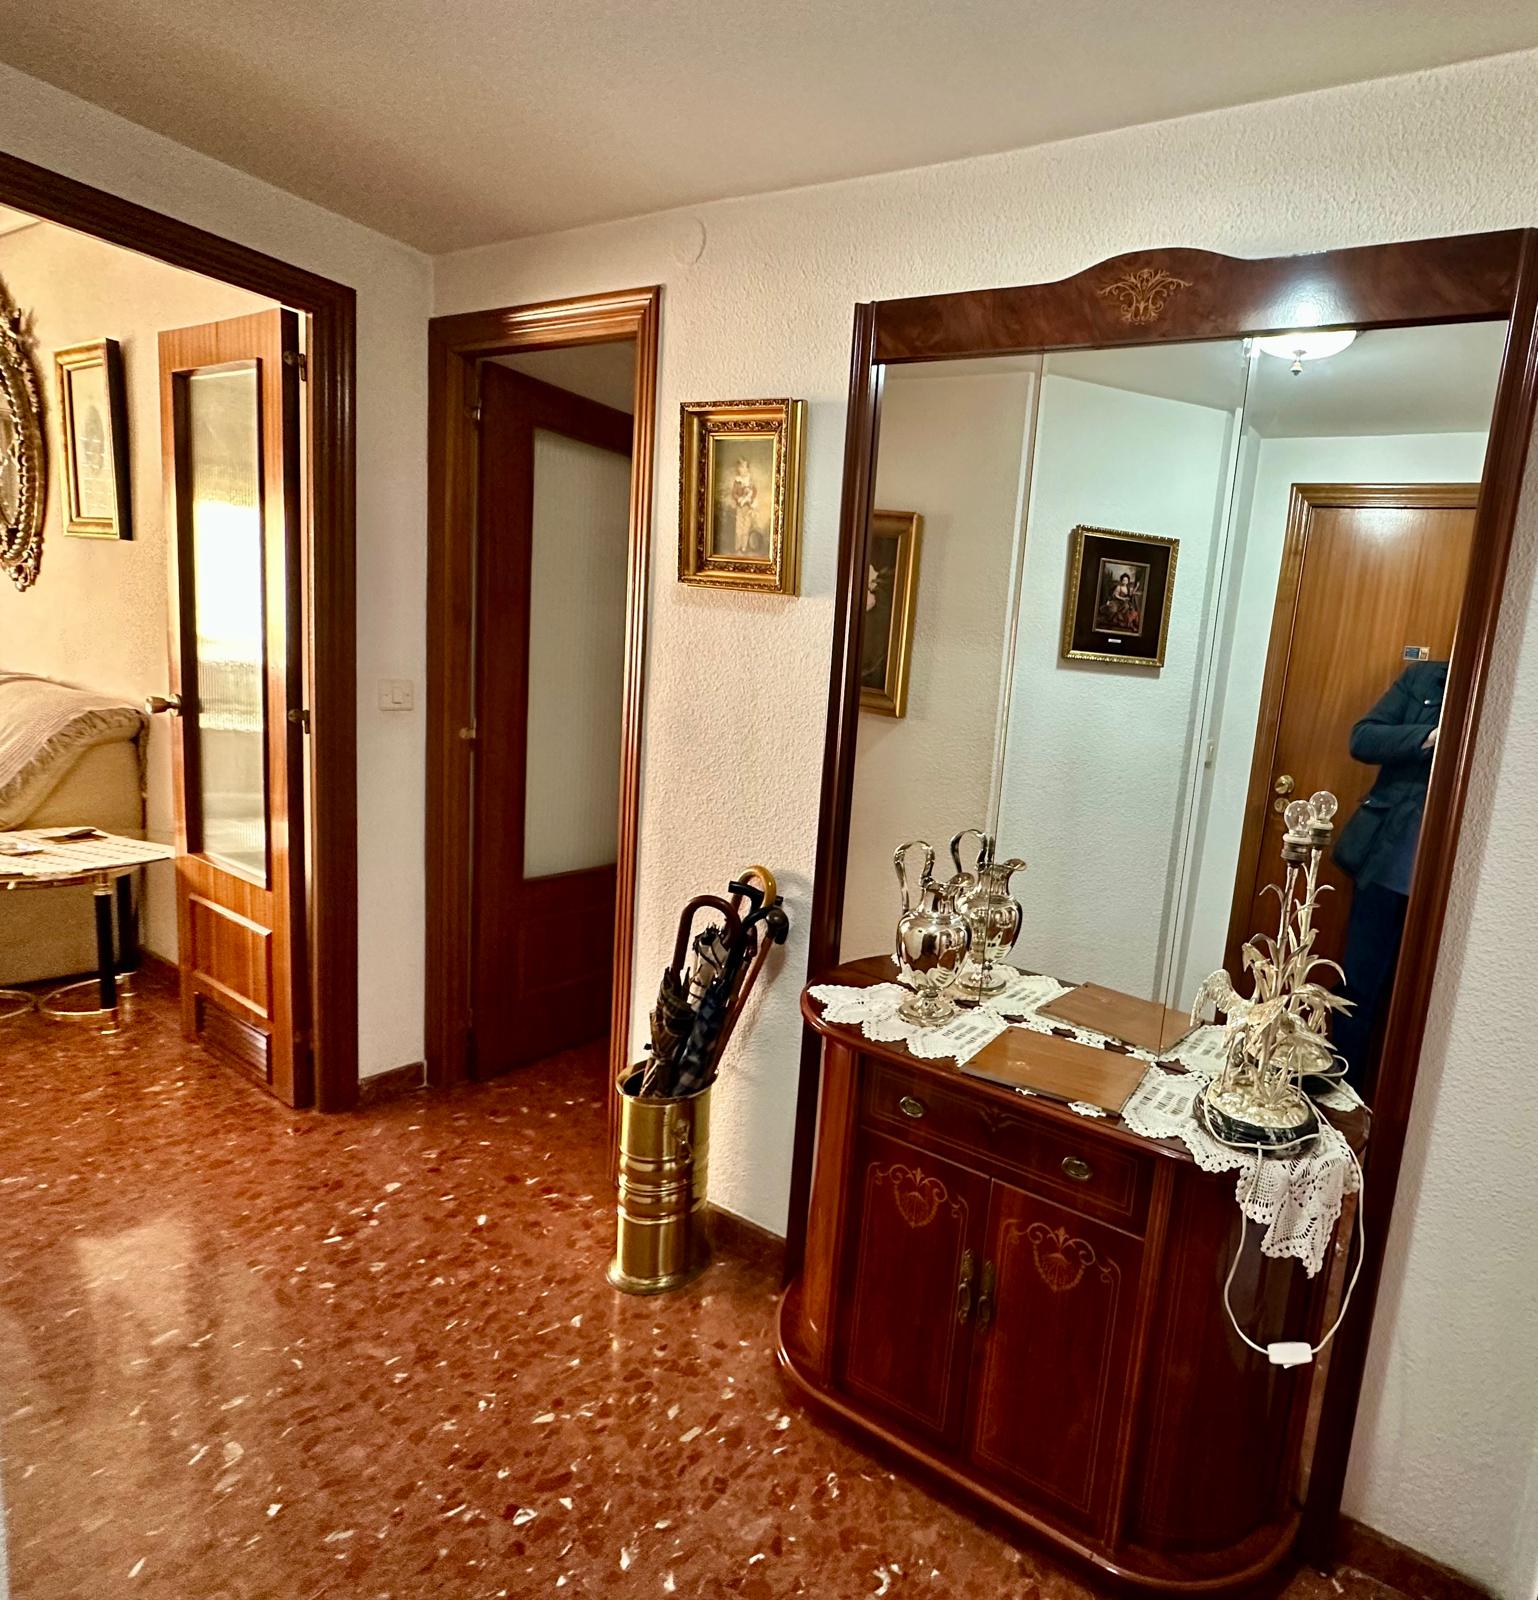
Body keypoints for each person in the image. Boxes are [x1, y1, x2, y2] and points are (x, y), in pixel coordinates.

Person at [1330, 658, 1446, 1095]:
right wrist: (1431, 737)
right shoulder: (1424, 679)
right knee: (1358, 989)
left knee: (1425, 1004)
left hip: (1450, 880)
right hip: (1388, 862)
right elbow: (1363, 738)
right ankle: (1341, 1098)